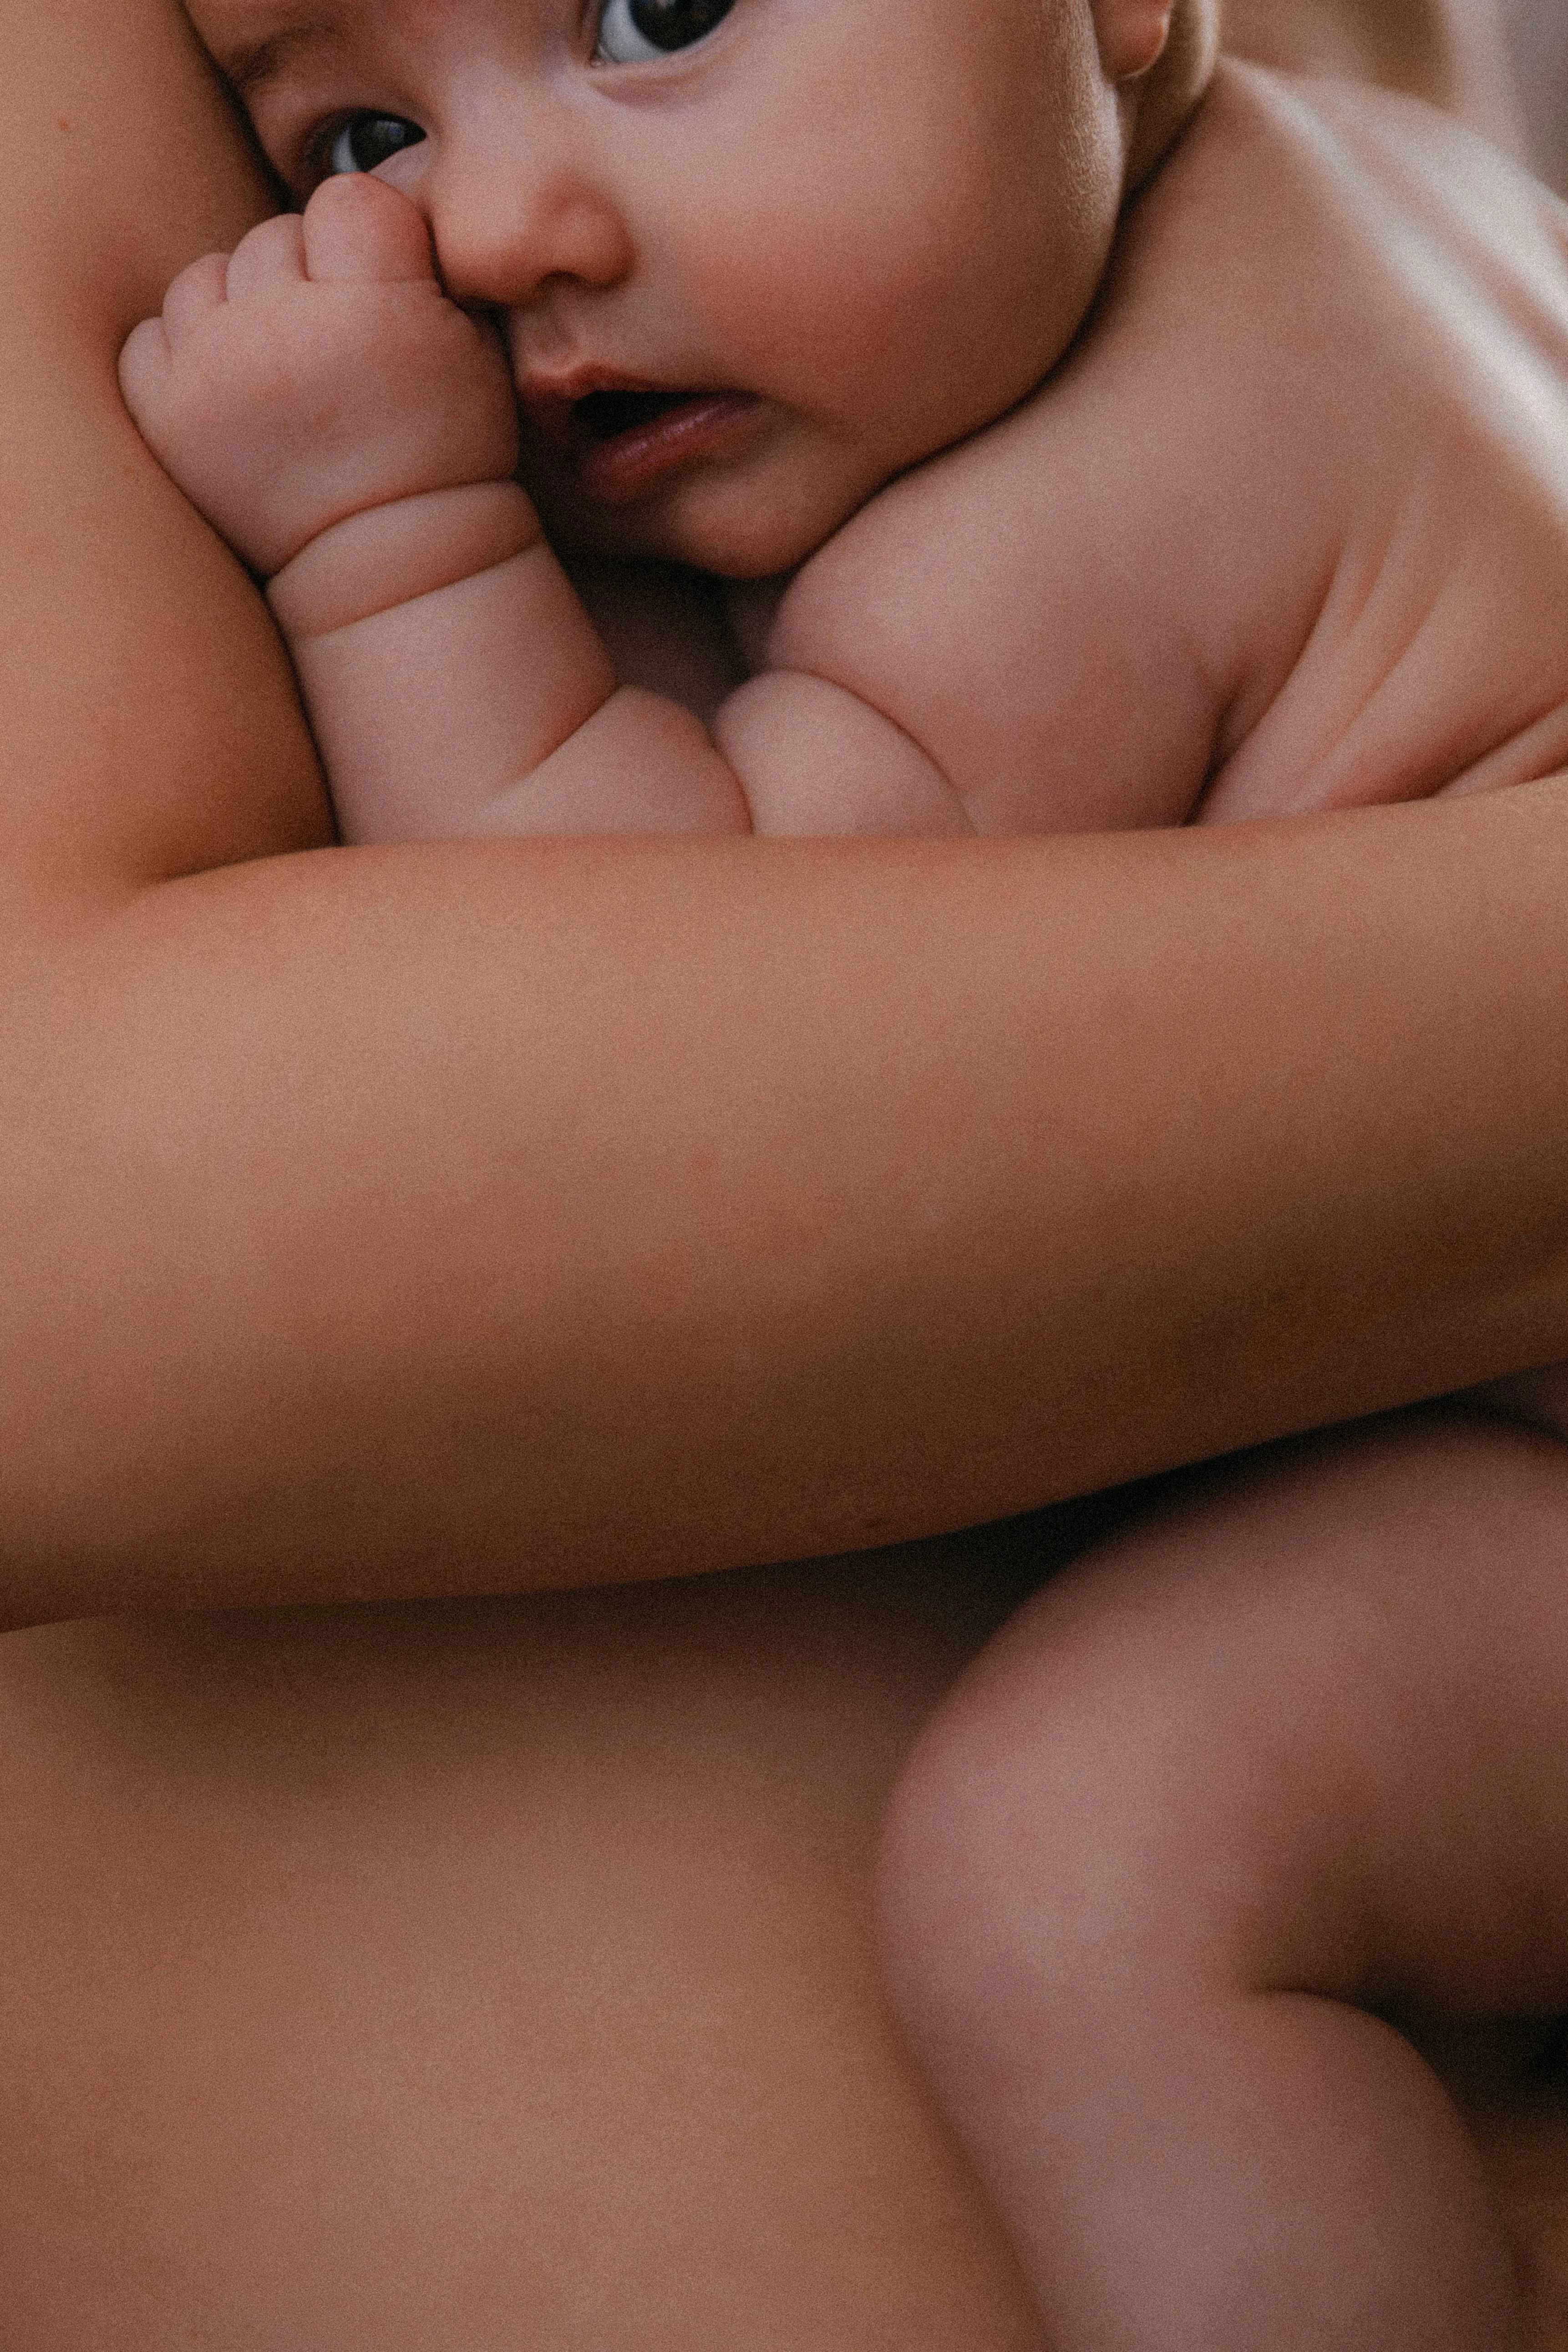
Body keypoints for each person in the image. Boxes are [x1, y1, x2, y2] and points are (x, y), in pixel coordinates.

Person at [5, 0, 1568, 2343]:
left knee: (1092, 1878)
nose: (496, 222)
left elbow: (609, 925)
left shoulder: (1069, 540)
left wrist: (385, 534)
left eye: (660, 8)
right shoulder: (1375, 210)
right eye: (366, 134)